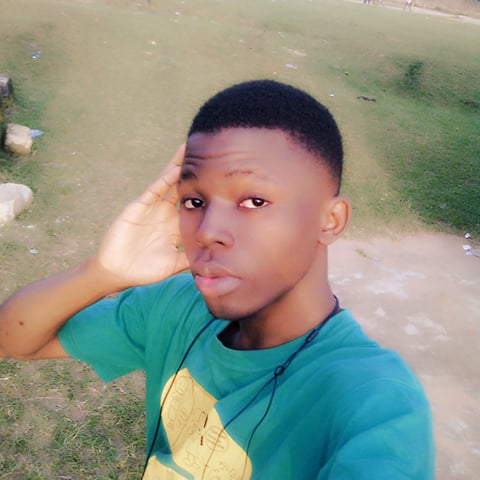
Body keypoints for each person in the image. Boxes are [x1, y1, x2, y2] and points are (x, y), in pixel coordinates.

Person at [0, 80, 434, 479]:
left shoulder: (377, 403)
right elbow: (14, 340)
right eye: (194, 201)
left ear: (330, 220)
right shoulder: (174, 306)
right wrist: (102, 273)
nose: (207, 231)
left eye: (254, 201)